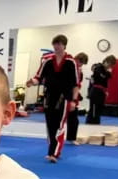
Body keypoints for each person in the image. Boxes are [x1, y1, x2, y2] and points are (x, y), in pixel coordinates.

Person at [26, 34, 79, 163]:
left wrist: (74, 101)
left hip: (64, 98)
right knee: (50, 125)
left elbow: (75, 84)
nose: (57, 46)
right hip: (49, 96)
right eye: (55, 44)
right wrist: (31, 82)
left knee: (60, 124)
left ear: (64, 45)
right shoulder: (47, 61)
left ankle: (54, 153)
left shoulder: (71, 62)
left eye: (59, 44)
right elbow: (38, 77)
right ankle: (51, 150)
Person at [86, 55, 117, 125]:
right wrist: (105, 72)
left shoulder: (106, 71)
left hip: (102, 92)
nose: (110, 67)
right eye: (110, 65)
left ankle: (96, 123)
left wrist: (107, 72)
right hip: (95, 91)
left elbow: (108, 76)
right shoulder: (98, 67)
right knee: (93, 110)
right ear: (107, 62)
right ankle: (90, 124)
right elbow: (100, 76)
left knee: (99, 110)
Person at [67, 52, 88, 144]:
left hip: (73, 95)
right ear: (78, 60)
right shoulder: (69, 66)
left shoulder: (79, 71)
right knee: (59, 119)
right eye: (81, 63)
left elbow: (77, 84)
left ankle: (71, 138)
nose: (81, 65)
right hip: (66, 94)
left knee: (73, 119)